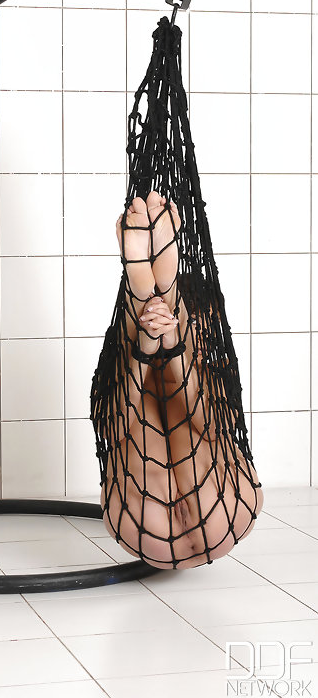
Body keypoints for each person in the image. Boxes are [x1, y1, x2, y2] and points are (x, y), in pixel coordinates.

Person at [100, 190, 264, 570]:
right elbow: (203, 419)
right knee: (180, 407)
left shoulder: (202, 378)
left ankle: (145, 298)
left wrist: (152, 343)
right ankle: (162, 298)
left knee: (148, 407)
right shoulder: (206, 373)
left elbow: (118, 424)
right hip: (225, 511)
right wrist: (164, 342)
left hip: (142, 520)